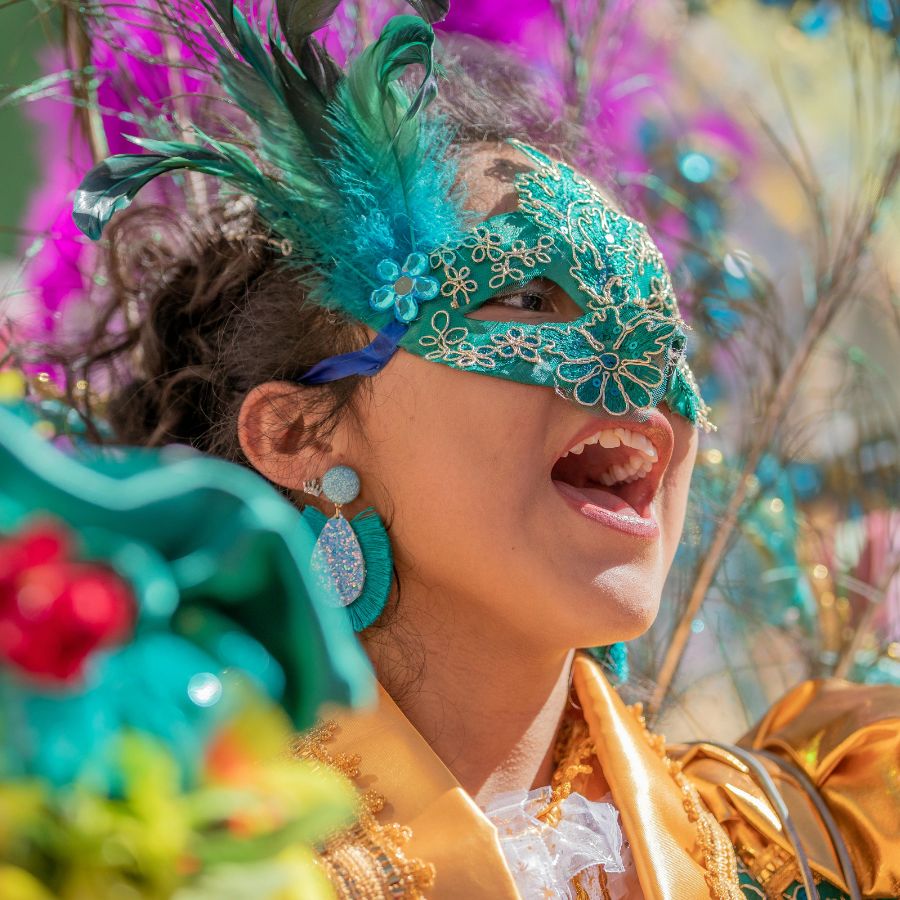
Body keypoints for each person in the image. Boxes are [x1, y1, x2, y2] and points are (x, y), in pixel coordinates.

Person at [57, 2, 900, 899]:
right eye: (532, 299)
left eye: (663, 326)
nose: (640, 373)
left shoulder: (815, 843)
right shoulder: (147, 854)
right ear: (300, 434)